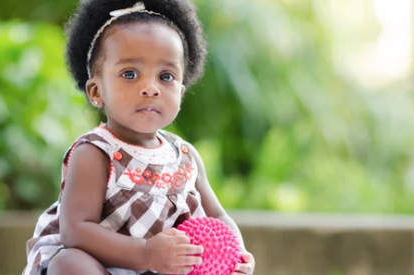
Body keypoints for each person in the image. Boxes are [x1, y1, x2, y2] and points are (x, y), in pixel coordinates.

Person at [21, 0, 255, 274]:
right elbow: (76, 231)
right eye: (130, 74)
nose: (150, 88)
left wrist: (238, 253)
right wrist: (145, 254)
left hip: (165, 268)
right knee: (69, 263)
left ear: (180, 92)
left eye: (166, 76)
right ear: (97, 92)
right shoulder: (95, 153)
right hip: (105, 266)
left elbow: (218, 216)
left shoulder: (185, 156)